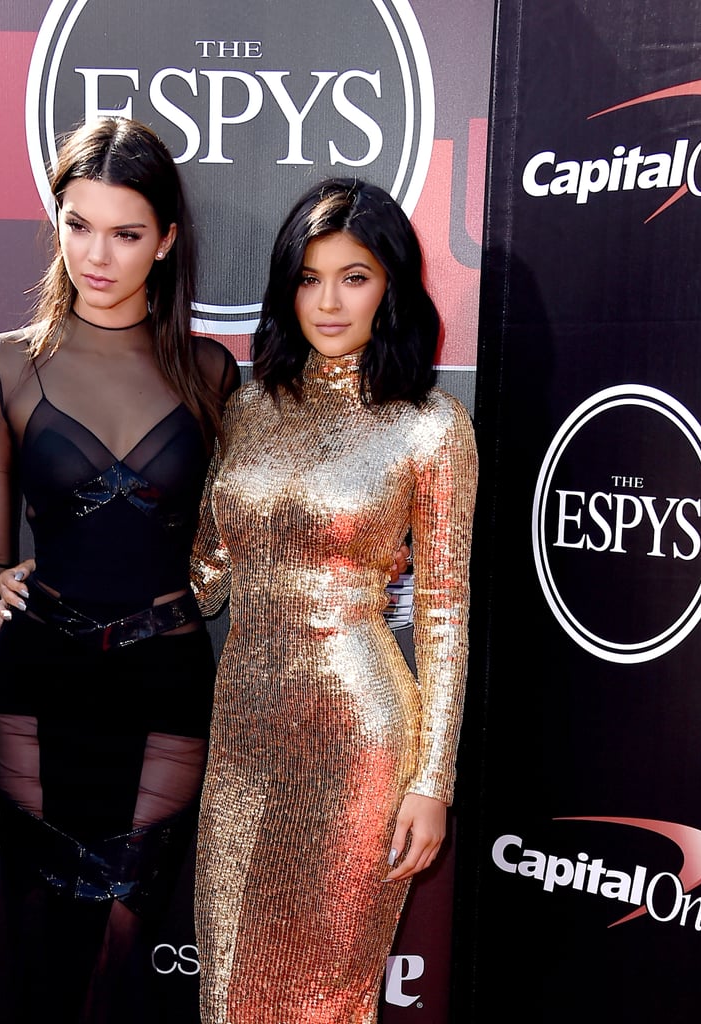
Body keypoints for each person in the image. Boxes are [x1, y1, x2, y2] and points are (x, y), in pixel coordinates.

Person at [0, 116, 239, 1021]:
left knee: (126, 947)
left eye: (125, 232)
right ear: (57, 221)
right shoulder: (4, 367)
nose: (98, 254)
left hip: (167, 688)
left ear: (165, 240)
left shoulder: (211, 373)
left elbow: (238, 536)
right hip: (35, 687)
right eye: (78, 224)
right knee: (40, 953)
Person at [189, 178, 478, 1022]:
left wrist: (433, 780)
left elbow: (445, 615)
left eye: (354, 276)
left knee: (325, 1000)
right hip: (240, 736)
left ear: (390, 284)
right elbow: (205, 566)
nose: (327, 300)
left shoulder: (429, 426)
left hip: (358, 740)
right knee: (229, 994)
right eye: (309, 277)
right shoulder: (247, 410)